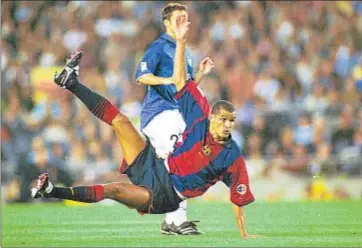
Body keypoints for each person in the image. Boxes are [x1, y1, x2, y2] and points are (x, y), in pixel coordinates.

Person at [32, 14, 260, 238]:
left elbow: (238, 196)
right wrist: (181, 43)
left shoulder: (231, 155)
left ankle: (52, 191)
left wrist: (244, 233)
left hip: (166, 194)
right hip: (156, 163)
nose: (227, 125)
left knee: (114, 190)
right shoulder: (198, 116)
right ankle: (71, 83)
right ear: (212, 117)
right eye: (223, 119)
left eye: (231, 121)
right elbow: (176, 84)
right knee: (121, 121)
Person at [135, 2, 214, 234]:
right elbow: (141, 76)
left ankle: (171, 221)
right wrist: (166, 80)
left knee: (185, 162)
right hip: (159, 113)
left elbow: (182, 88)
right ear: (167, 23)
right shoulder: (159, 47)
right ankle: (177, 221)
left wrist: (198, 75)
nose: (183, 22)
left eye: (185, 18)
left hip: (175, 114)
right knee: (180, 161)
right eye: (178, 18)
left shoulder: (184, 51)